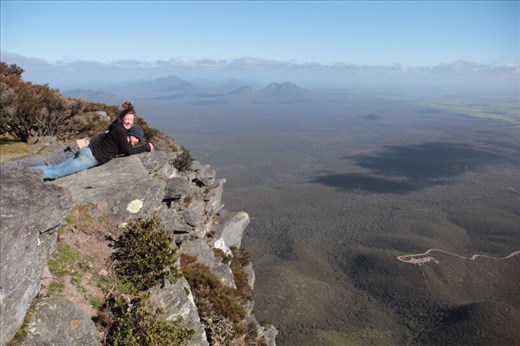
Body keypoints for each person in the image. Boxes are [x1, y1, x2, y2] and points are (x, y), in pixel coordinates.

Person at [4, 101, 137, 169]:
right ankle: (12, 167)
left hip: (79, 148)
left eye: (131, 120)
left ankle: (13, 166)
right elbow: (126, 150)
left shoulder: (115, 128)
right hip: (77, 149)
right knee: (48, 163)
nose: (129, 122)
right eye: (127, 119)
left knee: (49, 162)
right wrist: (146, 147)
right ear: (121, 119)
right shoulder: (117, 130)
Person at [31, 114, 153, 180]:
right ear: (131, 134)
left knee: (54, 168)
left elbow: (124, 150)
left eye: (139, 140)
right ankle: (22, 176)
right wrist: (146, 147)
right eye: (136, 138)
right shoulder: (121, 133)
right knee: (55, 173)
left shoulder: (120, 134)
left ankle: (24, 173)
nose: (137, 141)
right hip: (88, 158)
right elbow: (128, 151)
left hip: (86, 152)